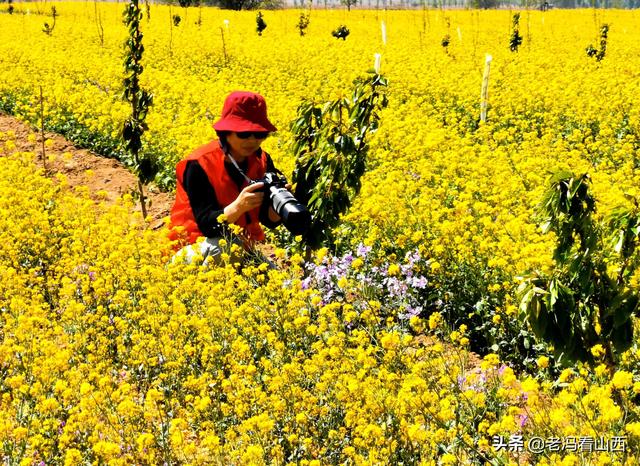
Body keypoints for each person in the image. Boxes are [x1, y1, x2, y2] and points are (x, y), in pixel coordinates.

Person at [168, 91, 284, 266]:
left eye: (259, 134)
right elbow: (207, 226)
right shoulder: (199, 164)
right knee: (222, 248)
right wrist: (239, 206)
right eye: (244, 134)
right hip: (195, 247)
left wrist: (280, 201)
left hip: (238, 248)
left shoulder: (262, 160)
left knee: (281, 287)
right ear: (226, 132)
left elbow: (269, 221)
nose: (252, 140)